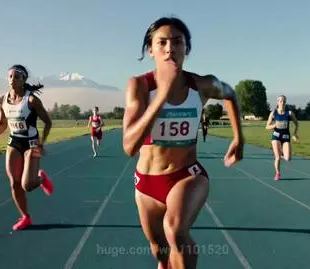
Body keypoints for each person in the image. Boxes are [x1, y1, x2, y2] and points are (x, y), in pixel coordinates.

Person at [122, 16, 244, 269]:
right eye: (162, 42)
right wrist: (162, 94)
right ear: (150, 49)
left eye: (177, 42)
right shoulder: (140, 86)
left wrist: (238, 138)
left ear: (186, 48)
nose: (170, 48)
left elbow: (230, 93)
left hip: (187, 176)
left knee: (175, 230)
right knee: (160, 250)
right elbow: (129, 146)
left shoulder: (201, 85)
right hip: (146, 183)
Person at [0, 64, 54, 231]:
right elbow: (3, 124)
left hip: (31, 143)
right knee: (14, 183)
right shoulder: (2, 100)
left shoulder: (32, 100)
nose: (12, 80)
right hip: (14, 142)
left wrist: (41, 142)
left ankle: (40, 179)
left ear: (24, 79)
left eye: (17, 77)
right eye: (10, 76)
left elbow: (48, 122)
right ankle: (25, 217)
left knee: (28, 185)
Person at [265, 95, 299, 181]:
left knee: (288, 158)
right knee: (277, 157)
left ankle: (280, 152)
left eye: (284, 101)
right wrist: (274, 125)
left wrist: (295, 133)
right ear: (277, 102)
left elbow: (297, 123)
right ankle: (277, 173)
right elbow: (267, 127)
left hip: (286, 137)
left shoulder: (289, 113)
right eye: (280, 101)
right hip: (276, 136)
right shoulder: (273, 113)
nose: (282, 102)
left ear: (285, 102)